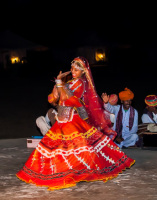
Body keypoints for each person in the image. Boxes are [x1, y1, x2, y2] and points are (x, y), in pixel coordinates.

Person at [16, 57, 134, 190]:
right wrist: (57, 85)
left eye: (76, 70)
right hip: (62, 118)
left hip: (72, 119)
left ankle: (72, 170)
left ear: (83, 71)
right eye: (72, 69)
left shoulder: (80, 83)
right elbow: (53, 99)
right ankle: (56, 170)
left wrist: (59, 83)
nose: (73, 71)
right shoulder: (70, 82)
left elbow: (67, 98)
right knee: (56, 147)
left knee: (74, 148)